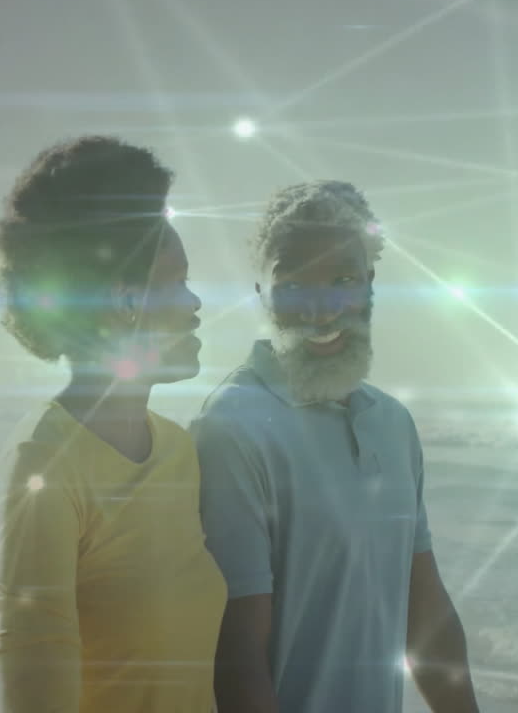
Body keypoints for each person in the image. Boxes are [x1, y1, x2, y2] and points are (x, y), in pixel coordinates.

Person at [191, 181, 480, 713]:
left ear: (370, 284)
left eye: (343, 280)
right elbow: (237, 657)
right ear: (261, 292)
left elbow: (425, 613)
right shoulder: (232, 430)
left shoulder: (392, 424)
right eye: (293, 284)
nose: (321, 310)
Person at [0, 135, 226, 713]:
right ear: (125, 300)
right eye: (176, 282)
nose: (195, 303)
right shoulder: (44, 468)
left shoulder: (178, 450)